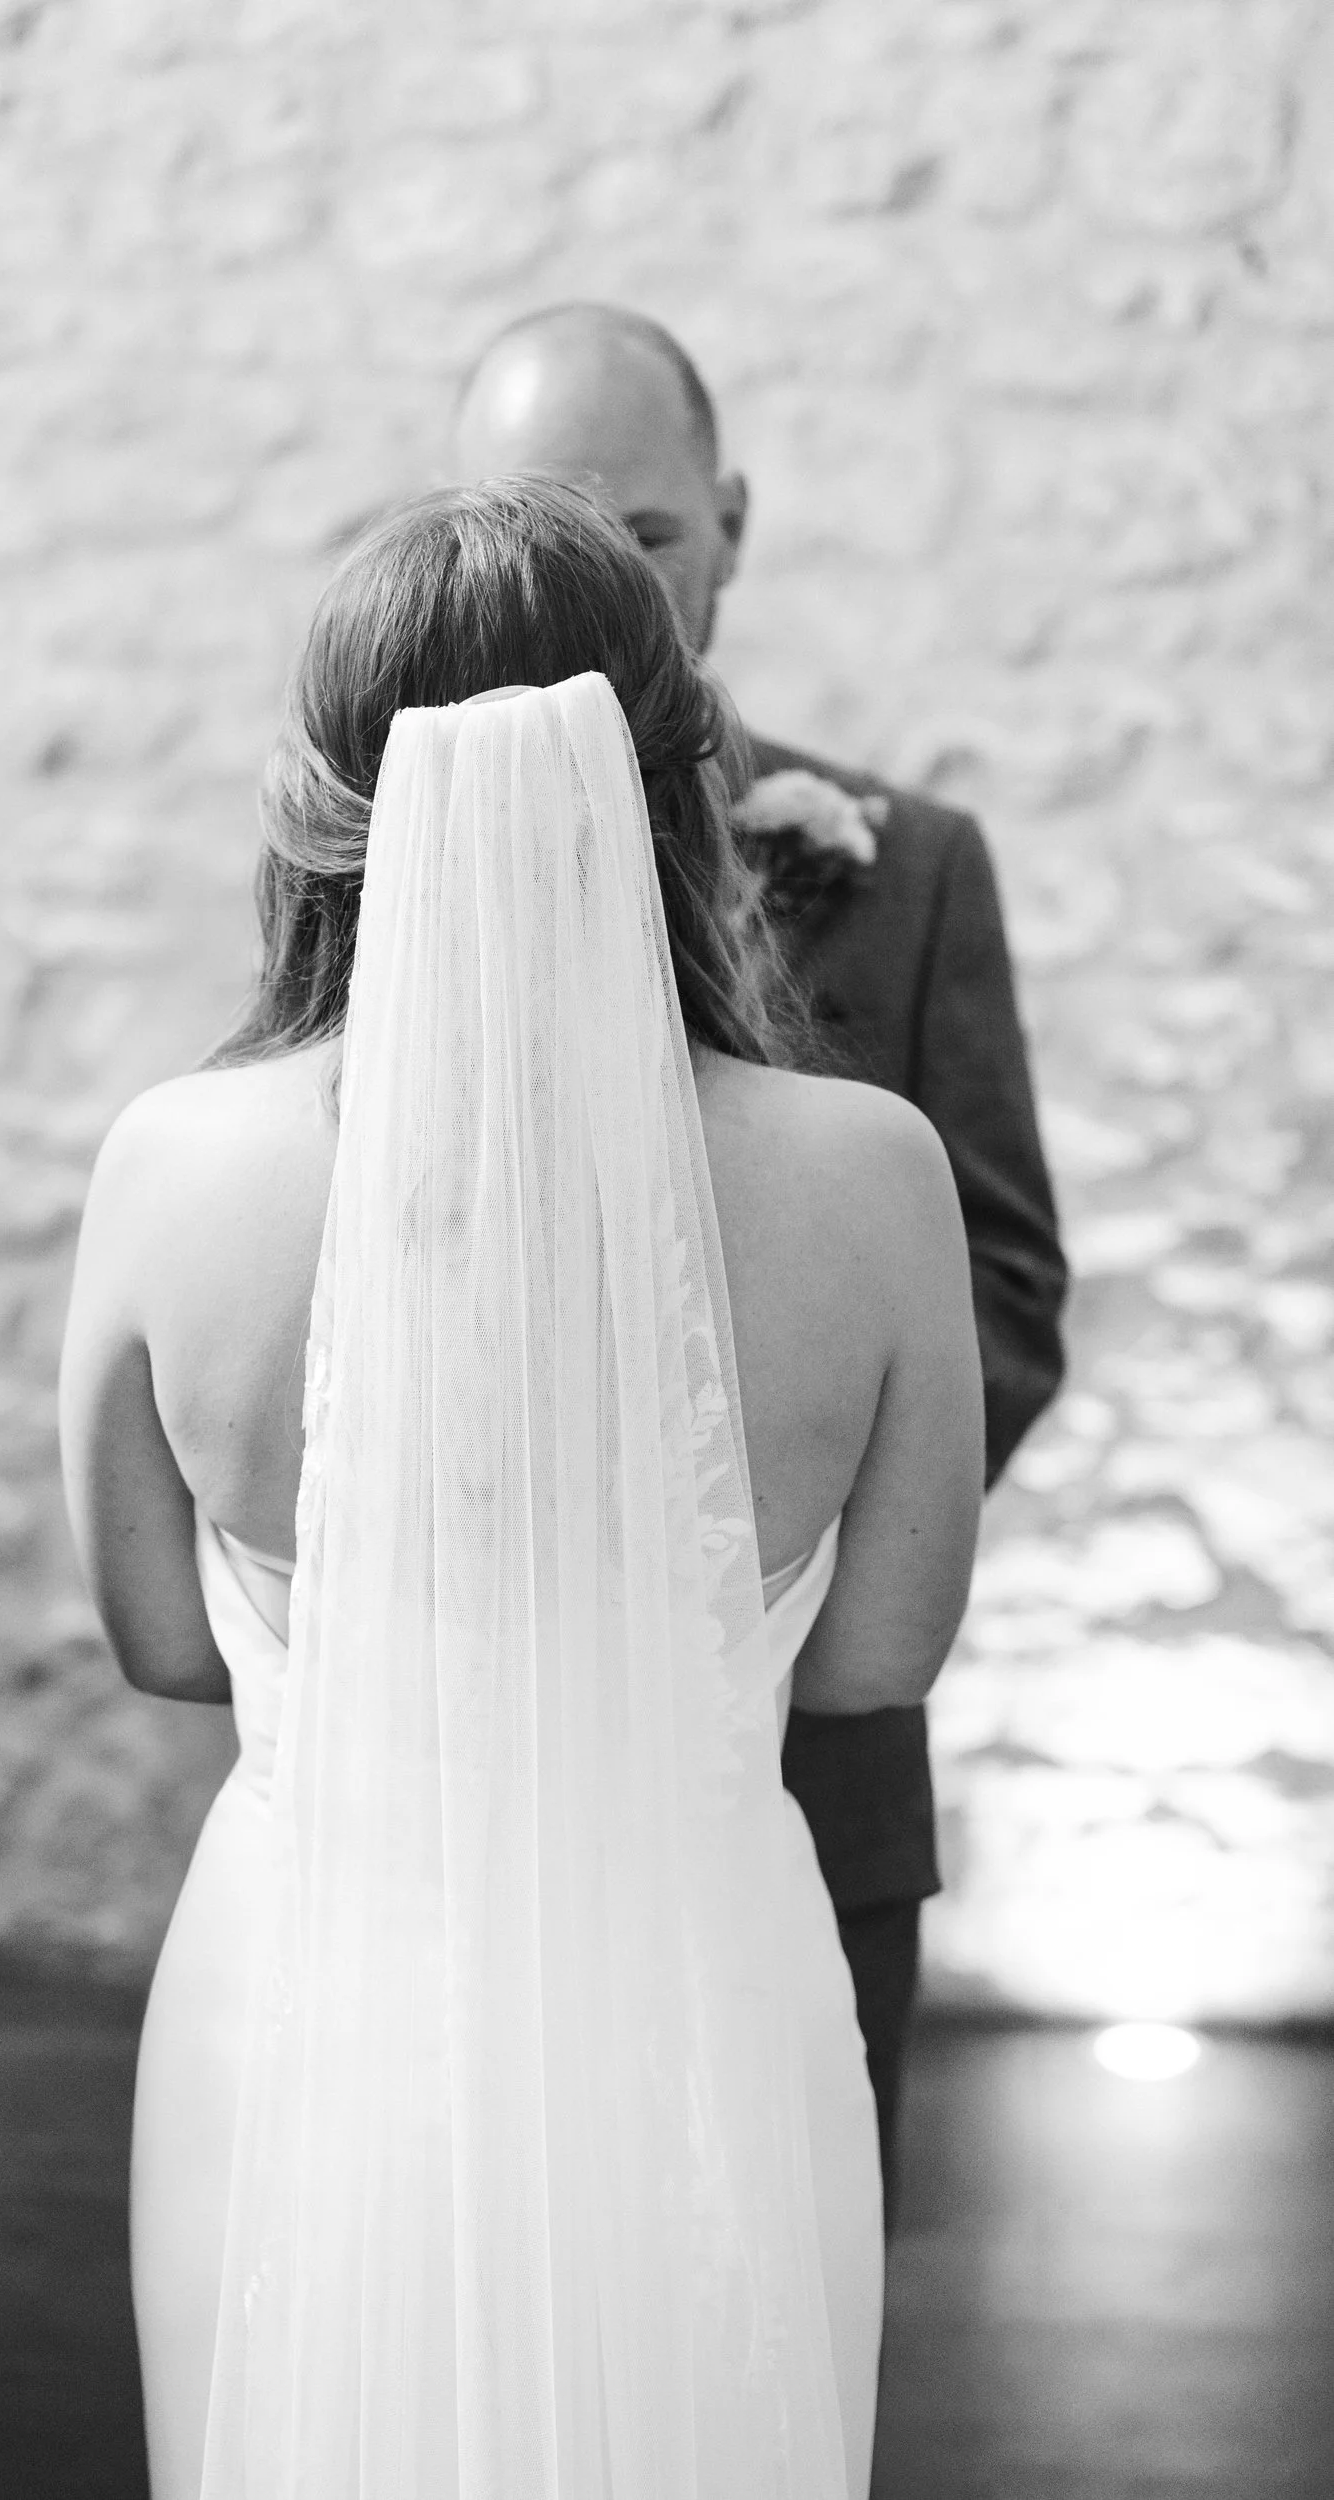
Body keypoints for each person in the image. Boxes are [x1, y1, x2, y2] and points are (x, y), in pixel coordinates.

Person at [58, 478, 983, 2498]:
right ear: (677, 787)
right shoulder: (867, 1174)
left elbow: (152, 1632)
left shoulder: (169, 1165)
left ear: (318, 799)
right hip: (695, 2005)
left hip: (307, 1993)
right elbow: (869, 1660)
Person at [453, 306, 1067, 2219]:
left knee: (790, 2308)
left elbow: (1003, 1295)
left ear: (729, 524)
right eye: (535, 530)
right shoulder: (379, 853)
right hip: (475, 1765)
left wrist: (764, 1540)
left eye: (633, 538)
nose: (587, 590)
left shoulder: (906, 865)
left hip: (808, 1763)